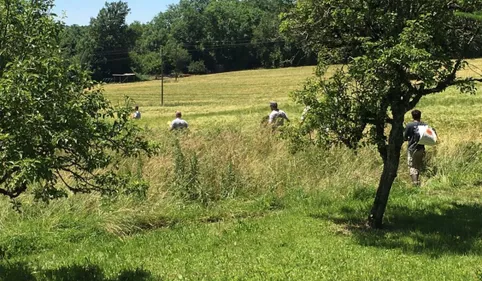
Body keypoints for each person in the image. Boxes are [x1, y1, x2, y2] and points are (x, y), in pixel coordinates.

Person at [404, 109, 431, 186]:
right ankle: (417, 181)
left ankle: (415, 183)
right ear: (420, 116)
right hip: (421, 148)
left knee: (412, 166)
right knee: (418, 165)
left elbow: (405, 137)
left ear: (412, 116)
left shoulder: (409, 125)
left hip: (412, 148)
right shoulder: (424, 125)